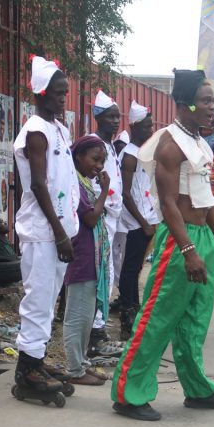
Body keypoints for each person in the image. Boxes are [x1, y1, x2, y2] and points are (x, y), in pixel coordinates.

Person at [110, 69, 214, 422]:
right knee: (157, 318)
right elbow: (169, 204)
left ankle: (198, 390)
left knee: (194, 322)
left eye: (213, 101)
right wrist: (187, 251)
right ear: (184, 103)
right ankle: (129, 394)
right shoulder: (170, 143)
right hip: (179, 239)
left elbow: (209, 200)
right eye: (205, 101)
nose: (212, 108)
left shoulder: (200, 142)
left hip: (202, 237)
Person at [12, 56, 79, 396]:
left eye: (65, 93)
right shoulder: (36, 132)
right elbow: (38, 186)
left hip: (58, 234)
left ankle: (35, 360)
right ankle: (26, 374)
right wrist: (59, 231)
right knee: (37, 300)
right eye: (57, 93)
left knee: (48, 299)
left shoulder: (59, 129)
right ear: (40, 94)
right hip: (43, 234)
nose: (62, 99)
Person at [60, 135, 113, 386]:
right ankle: (74, 369)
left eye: (102, 161)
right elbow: (90, 218)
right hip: (81, 259)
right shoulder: (76, 185)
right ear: (78, 157)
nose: (99, 166)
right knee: (77, 317)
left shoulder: (84, 183)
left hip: (90, 260)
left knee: (86, 317)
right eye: (95, 159)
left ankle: (81, 364)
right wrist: (104, 192)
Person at [87, 90, 126, 356]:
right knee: (102, 273)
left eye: (117, 117)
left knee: (108, 272)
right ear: (98, 117)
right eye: (110, 117)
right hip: (99, 215)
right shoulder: (94, 144)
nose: (115, 121)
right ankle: (95, 334)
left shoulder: (109, 144)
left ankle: (98, 330)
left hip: (111, 216)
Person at [117, 102, 160, 339]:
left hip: (144, 220)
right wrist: (143, 222)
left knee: (135, 269)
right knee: (130, 269)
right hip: (135, 223)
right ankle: (127, 316)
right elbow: (125, 193)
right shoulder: (130, 156)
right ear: (134, 126)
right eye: (146, 126)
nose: (151, 129)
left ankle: (134, 312)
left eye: (151, 125)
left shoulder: (141, 152)